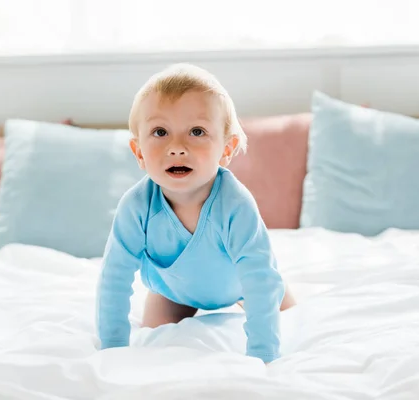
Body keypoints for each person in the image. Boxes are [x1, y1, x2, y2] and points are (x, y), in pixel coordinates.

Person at [95, 63, 296, 364]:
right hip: (172, 293)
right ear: (138, 153)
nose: (177, 147)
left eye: (197, 131)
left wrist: (263, 356)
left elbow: (259, 277)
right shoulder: (136, 207)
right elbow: (115, 277)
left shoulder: (235, 204)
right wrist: (111, 349)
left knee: (290, 314)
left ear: (227, 150)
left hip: (239, 285)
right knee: (156, 339)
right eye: (160, 132)